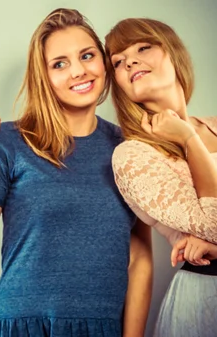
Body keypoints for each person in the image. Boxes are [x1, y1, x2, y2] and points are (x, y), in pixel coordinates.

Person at [0, 8, 152, 337]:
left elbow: (139, 258)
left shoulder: (130, 150)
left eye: (87, 56)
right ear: (44, 76)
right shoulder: (10, 143)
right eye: (60, 64)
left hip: (100, 328)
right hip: (23, 327)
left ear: (102, 61)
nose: (78, 71)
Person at [105, 17, 217, 337]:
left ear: (174, 53)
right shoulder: (132, 157)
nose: (131, 61)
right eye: (119, 61)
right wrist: (187, 139)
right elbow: (213, 222)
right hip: (207, 300)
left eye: (143, 47)